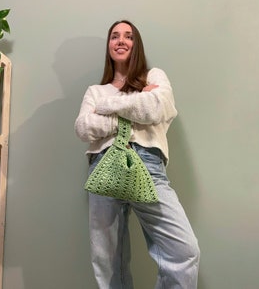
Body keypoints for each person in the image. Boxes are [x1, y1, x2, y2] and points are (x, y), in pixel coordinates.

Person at [74, 20, 200, 289]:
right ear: (108, 46)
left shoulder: (154, 77)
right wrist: (132, 110)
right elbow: (83, 127)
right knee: (107, 261)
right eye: (115, 36)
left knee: (184, 252)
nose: (121, 40)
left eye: (128, 36)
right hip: (102, 169)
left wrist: (107, 108)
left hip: (149, 166)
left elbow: (156, 107)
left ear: (136, 44)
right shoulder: (95, 91)